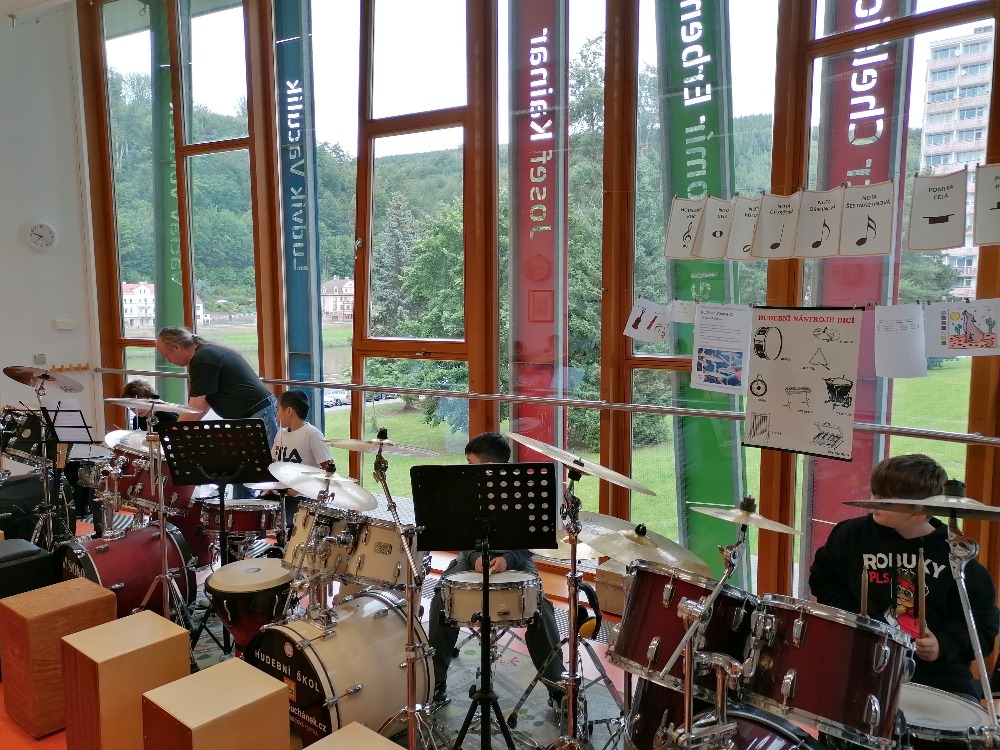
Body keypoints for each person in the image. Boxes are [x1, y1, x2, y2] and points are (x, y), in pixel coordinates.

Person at [809, 454, 999, 700]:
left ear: (918, 513)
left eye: (883, 500)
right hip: (863, 659)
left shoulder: (956, 556)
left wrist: (943, 644)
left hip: (935, 674)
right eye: (874, 494)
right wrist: (852, 617)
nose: (872, 502)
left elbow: (982, 623)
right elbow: (824, 579)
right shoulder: (851, 535)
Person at [428, 432, 566, 713]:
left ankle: (558, 689)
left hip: (515, 560)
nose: (467, 469)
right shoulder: (465, 489)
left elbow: (533, 541)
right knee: (442, 599)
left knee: (540, 607)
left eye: (471, 464)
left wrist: (508, 559)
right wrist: (476, 557)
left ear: (489, 467)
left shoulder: (527, 491)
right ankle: (435, 680)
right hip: (471, 557)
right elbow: (458, 534)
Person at [154, 326, 278, 446]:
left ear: (176, 348)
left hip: (258, 413)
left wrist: (172, 433)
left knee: (264, 459)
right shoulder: (204, 353)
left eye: (167, 356)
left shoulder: (203, 359)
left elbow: (195, 406)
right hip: (255, 413)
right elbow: (204, 404)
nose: (169, 361)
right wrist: (184, 429)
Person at [271, 389, 332, 527]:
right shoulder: (280, 433)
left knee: (284, 524)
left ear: (289, 411)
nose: (276, 415)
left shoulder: (312, 435)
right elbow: (274, 464)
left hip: (302, 498)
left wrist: (301, 489)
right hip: (281, 494)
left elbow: (329, 472)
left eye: (278, 410)